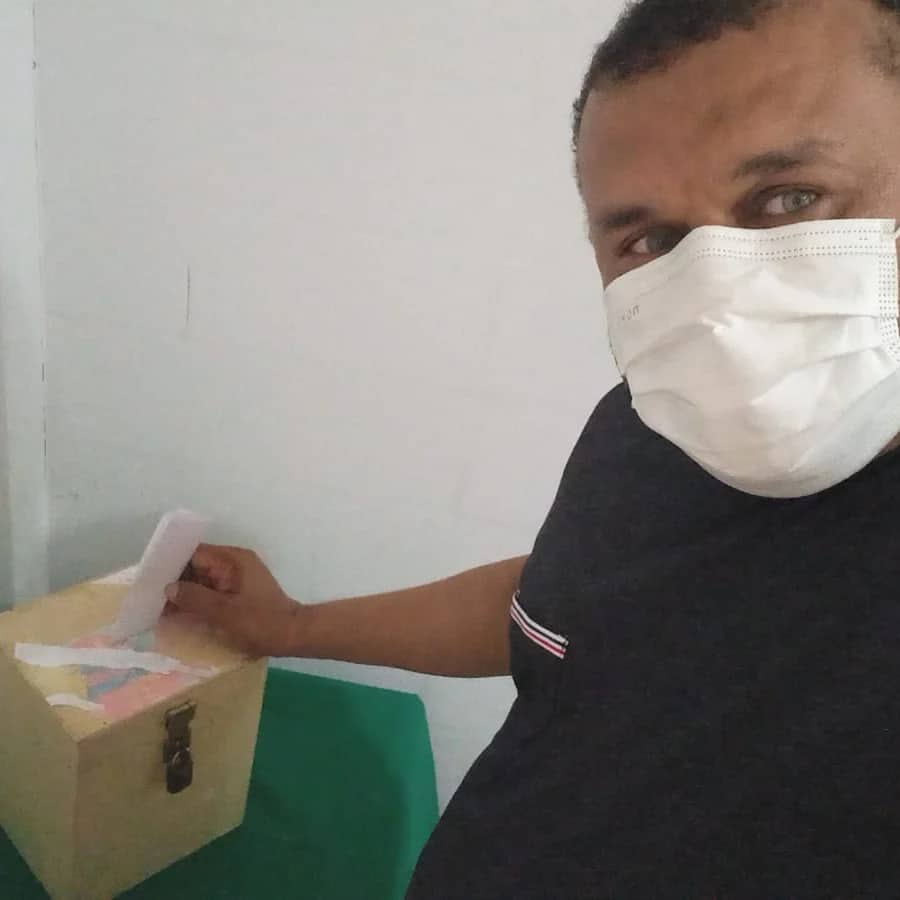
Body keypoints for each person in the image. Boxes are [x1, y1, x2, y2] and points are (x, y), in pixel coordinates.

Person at [164, 0, 900, 895]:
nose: (718, 301)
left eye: (790, 199)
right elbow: (563, 609)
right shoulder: (654, 422)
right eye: (649, 240)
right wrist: (292, 627)